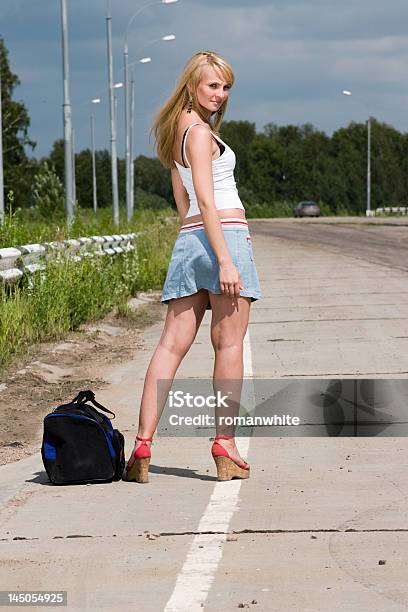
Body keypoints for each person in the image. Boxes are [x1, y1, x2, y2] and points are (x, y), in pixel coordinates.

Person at [123, 51, 262, 484]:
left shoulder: (174, 131)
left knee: (170, 346)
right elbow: (205, 198)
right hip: (224, 236)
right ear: (192, 85)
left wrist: (195, 237)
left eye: (225, 87)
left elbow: (183, 201)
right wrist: (225, 258)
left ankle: (143, 444)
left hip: (190, 240)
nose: (219, 95)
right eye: (212, 86)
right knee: (230, 345)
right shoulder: (200, 132)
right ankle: (225, 444)